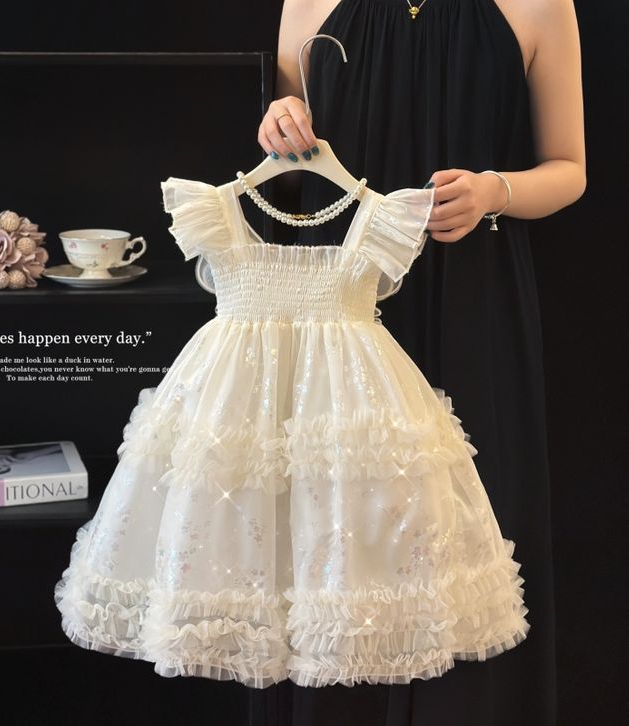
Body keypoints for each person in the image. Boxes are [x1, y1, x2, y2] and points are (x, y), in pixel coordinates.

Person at [249, 1, 585, 724]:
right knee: (336, 531)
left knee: (472, 533)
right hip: (341, 301)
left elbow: (570, 168)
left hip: (473, 297)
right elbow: (284, 185)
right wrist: (279, 127)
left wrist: (495, 190)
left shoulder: (540, 6)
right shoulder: (306, 4)